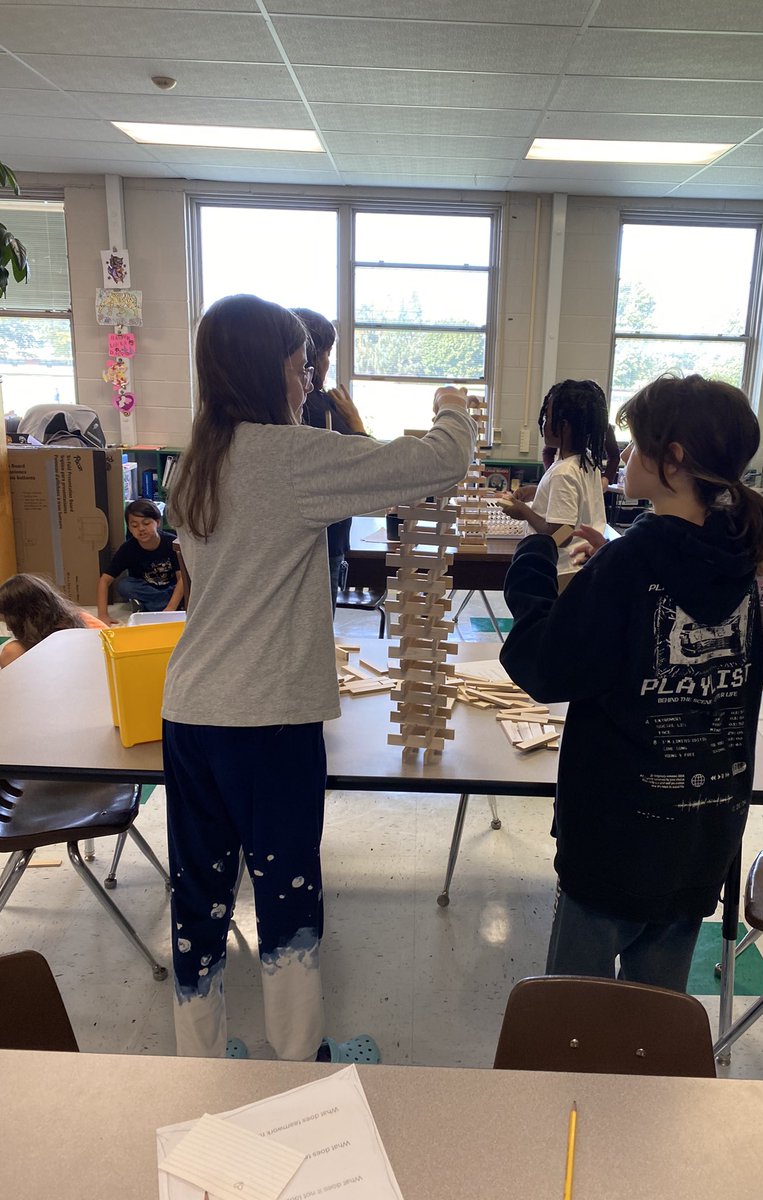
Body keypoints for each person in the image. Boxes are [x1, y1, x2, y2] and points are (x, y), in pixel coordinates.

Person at [161, 293, 475, 1062]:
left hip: (191, 710)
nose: (308, 383)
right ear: (268, 372)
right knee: (287, 896)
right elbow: (440, 461)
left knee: (197, 898)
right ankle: (297, 1065)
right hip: (266, 720)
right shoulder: (290, 456)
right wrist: (451, 406)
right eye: (301, 368)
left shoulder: (191, 461)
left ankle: (196, 1064)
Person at [499, 373, 763, 992]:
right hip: (702, 836)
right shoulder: (735, 563)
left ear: (672, 460)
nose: (623, 455)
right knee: (654, 1018)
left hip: (617, 841)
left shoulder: (632, 564)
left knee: (576, 1019)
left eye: (636, 443)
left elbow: (548, 666)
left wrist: (532, 563)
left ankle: (574, 1095)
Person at [293, 308, 368, 610]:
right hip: (324, 542)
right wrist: (356, 423)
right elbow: (364, 472)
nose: (328, 363)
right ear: (315, 356)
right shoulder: (323, 408)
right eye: (327, 354)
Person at [499, 380, 608, 571]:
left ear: (564, 426)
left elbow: (560, 535)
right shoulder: (587, 461)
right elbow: (578, 503)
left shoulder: (563, 472)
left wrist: (523, 511)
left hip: (561, 571)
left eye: (547, 418)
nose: (544, 424)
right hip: (583, 566)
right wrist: (538, 492)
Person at [97, 499, 184, 622]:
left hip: (172, 589)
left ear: (157, 523)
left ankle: (153, 607)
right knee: (124, 585)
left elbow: (182, 578)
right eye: (134, 526)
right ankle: (160, 604)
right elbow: (104, 580)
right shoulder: (128, 549)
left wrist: (170, 608)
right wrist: (102, 615)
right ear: (130, 528)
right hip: (147, 590)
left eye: (146, 523)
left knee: (186, 582)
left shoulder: (171, 542)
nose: (141, 529)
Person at [0, 572, 107, 668]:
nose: (9, 629)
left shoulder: (16, 651)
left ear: (25, 619)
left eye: (9, 622)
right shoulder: (83, 618)